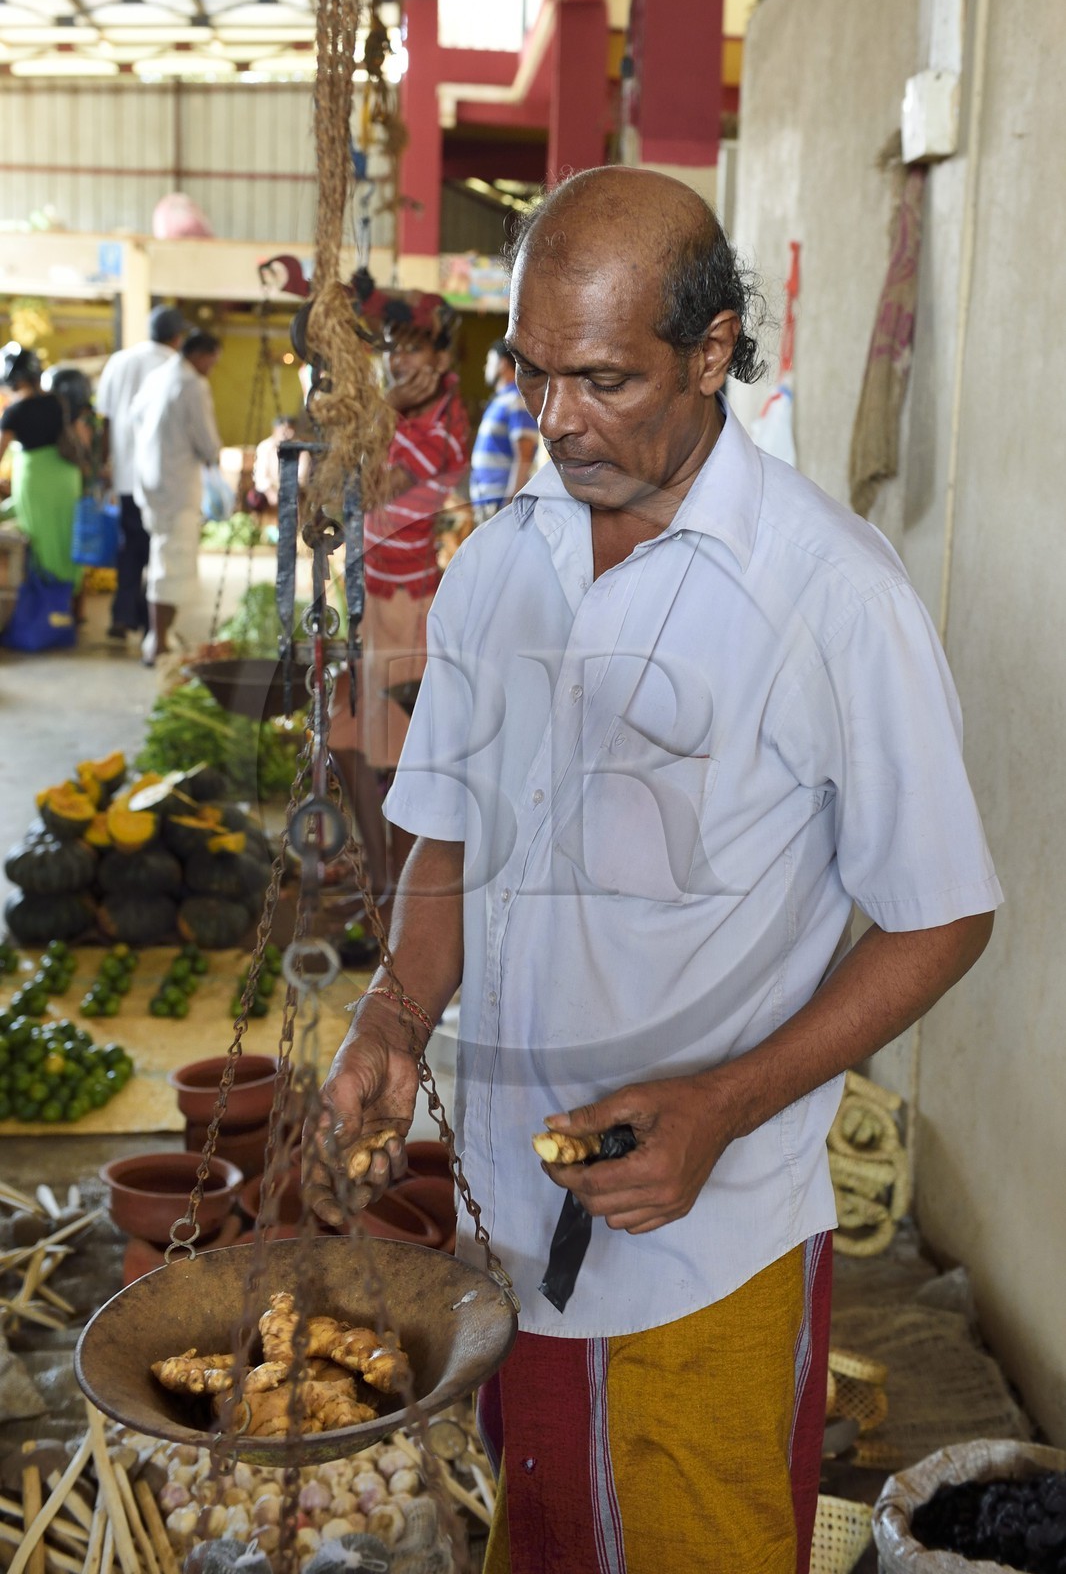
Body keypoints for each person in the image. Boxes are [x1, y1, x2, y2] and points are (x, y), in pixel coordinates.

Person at [307, 168, 1002, 1574]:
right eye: (532, 372)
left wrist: (719, 1105)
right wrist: (391, 1017)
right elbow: (448, 827)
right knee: (548, 1534)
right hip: (505, 1231)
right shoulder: (504, 563)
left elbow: (940, 916)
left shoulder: (828, 596)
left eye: (605, 380)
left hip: (705, 1255)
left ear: (710, 350)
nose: (556, 420)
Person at [328, 290, 470, 902]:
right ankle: (385, 879)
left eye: (411, 349)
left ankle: (403, 891)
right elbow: (337, 487)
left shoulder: (445, 424)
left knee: (406, 757)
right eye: (390, 349)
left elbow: (374, 481)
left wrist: (373, 412)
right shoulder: (389, 416)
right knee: (345, 745)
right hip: (370, 599)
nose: (397, 362)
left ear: (439, 356)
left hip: (410, 607)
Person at [96, 304, 186, 641]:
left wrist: (106, 464)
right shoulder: (175, 366)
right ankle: (153, 625)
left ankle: (121, 616)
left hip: (125, 477)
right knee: (159, 550)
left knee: (130, 546)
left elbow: (103, 419)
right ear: (176, 337)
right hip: (162, 479)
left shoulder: (119, 361)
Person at [132, 330, 221, 665]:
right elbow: (208, 444)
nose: (212, 368)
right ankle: (158, 644)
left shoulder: (158, 377)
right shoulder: (192, 385)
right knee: (171, 566)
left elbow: (136, 420)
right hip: (177, 486)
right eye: (213, 361)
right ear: (202, 354)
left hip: (152, 482)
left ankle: (159, 637)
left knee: (162, 559)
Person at [0, 343, 83, 616]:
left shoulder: (14, 412)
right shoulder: (56, 402)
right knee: (67, 540)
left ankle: (46, 611)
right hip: (66, 479)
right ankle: (70, 609)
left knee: (40, 543)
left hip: (37, 482)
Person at [468, 337, 539, 521]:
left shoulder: (517, 401)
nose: (485, 367)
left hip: (499, 508)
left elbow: (523, 457)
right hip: (487, 505)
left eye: (489, 361)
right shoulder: (500, 401)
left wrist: (509, 509)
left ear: (501, 364)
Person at [249, 414, 310, 511]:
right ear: (275, 430)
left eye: (291, 430)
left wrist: (287, 493)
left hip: (293, 493)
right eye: (284, 430)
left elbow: (302, 478)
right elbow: (260, 476)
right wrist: (270, 493)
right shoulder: (265, 447)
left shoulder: (301, 449)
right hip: (269, 492)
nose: (289, 434)